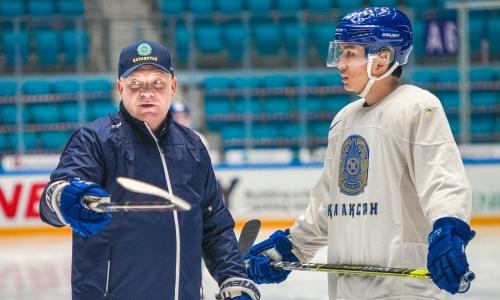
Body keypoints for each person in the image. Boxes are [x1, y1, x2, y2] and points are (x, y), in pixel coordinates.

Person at [245, 7, 475, 300]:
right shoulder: (343, 120)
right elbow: (328, 205)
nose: (339, 63)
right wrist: (286, 248)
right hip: (346, 290)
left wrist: (449, 231)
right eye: (339, 53)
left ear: (382, 58)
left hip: (404, 292)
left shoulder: (418, 106)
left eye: (350, 54)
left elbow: (443, 181)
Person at [39, 40, 260, 300]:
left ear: (173, 87)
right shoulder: (95, 140)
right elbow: (53, 199)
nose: (147, 92)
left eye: (158, 83)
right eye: (136, 84)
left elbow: (214, 225)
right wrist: (63, 197)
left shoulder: (193, 146)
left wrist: (234, 278)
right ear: (120, 88)